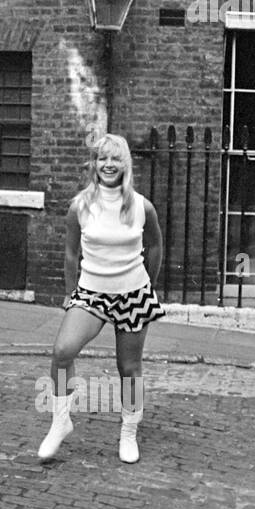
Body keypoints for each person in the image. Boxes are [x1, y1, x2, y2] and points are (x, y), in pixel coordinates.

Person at [37, 133, 164, 464]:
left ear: (126, 164)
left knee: (129, 367)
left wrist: (147, 285)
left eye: (115, 158)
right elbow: (70, 253)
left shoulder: (141, 206)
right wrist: (69, 293)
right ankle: (60, 420)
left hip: (133, 293)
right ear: (93, 164)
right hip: (91, 292)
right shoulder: (80, 205)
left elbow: (155, 246)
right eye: (102, 158)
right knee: (62, 351)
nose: (109, 165)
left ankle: (128, 432)